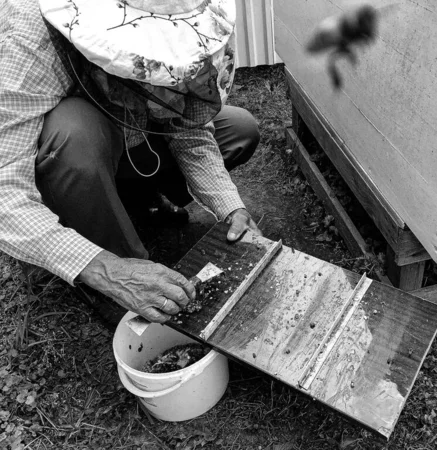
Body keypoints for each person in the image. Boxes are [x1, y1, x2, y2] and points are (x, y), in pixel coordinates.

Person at [0, 0, 262, 324]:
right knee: (73, 131)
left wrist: (230, 207)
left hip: (130, 136)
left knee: (237, 128)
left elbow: (189, 132)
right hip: (70, 149)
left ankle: (134, 201)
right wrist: (105, 269)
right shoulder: (28, 35)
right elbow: (4, 190)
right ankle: (120, 268)